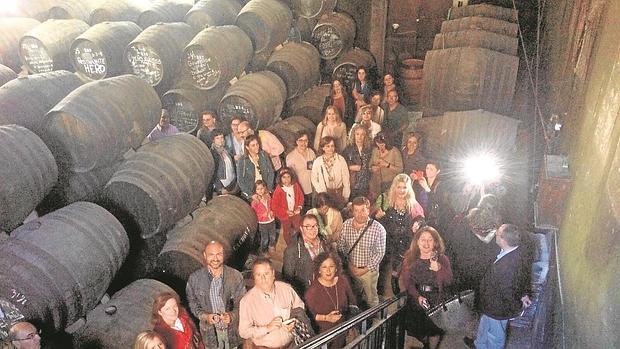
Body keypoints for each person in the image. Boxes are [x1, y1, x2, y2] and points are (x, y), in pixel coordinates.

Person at [464, 224, 532, 349]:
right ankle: (479, 345)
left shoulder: (509, 265)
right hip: (489, 304)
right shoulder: (512, 251)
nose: (495, 234)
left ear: (503, 240)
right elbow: (521, 279)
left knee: (496, 337)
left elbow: (509, 290)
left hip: (497, 309)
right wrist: (523, 294)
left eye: (497, 233)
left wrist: (517, 306)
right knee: (484, 327)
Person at [238, 257, 313, 349]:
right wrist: (267, 328)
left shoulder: (286, 289)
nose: (263, 278)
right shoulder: (247, 301)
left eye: (266, 273)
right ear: (254, 277)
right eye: (258, 275)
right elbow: (244, 332)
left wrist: (294, 321)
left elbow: (299, 306)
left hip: (291, 345)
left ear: (273, 274)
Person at [186, 241, 246, 349]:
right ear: (204, 255)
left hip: (231, 331)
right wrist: (205, 316)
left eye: (219, 254)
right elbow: (192, 304)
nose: (215, 258)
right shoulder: (194, 279)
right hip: (210, 334)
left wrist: (231, 316)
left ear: (224, 255)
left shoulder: (236, 276)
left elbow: (243, 304)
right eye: (211, 255)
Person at [401, 226, 453, 349]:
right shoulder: (410, 258)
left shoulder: (442, 259)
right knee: (419, 331)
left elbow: (449, 281)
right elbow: (408, 283)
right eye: (423, 239)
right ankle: (425, 344)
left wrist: (439, 269)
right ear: (417, 241)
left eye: (430, 240)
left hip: (437, 300)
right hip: (416, 299)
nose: (426, 243)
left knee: (434, 331)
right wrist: (417, 296)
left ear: (435, 242)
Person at [374, 174, 425, 296]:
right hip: (390, 240)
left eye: (404, 187)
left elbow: (421, 219)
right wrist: (378, 217)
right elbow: (378, 220)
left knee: (407, 268)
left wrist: (417, 224)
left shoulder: (413, 204)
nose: (402, 190)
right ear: (394, 188)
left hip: (407, 241)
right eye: (399, 187)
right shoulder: (388, 202)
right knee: (389, 267)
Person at [337, 196, 386, 308]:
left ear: (368, 210)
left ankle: (374, 320)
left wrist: (364, 270)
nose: (360, 214)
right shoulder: (346, 225)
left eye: (363, 210)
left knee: (371, 298)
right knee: (353, 296)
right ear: (352, 211)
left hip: (369, 272)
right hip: (350, 269)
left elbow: (379, 253)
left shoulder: (378, 229)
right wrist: (350, 266)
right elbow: (341, 247)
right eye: (356, 211)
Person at [304, 252, 358, 349]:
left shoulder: (343, 281)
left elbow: (352, 303)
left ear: (336, 268)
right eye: (324, 267)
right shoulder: (312, 291)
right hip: (324, 336)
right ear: (319, 270)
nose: (328, 270)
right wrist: (326, 317)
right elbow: (307, 316)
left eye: (331, 266)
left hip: (343, 331)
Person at [282, 214, 329, 295]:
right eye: (308, 226)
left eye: (315, 226)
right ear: (301, 228)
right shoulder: (292, 251)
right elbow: (288, 278)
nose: (312, 229)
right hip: (307, 293)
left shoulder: (324, 243)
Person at [311, 136, 350, 208]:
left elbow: (346, 178)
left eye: (332, 146)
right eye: (327, 146)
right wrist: (321, 192)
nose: (330, 148)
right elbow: (314, 179)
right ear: (323, 148)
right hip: (325, 193)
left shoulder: (340, 159)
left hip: (338, 193)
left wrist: (346, 195)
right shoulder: (318, 161)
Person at [416, 160, 453, 233]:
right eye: (427, 168)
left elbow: (440, 202)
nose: (428, 171)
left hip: (434, 218)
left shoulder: (441, 185)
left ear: (438, 171)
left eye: (431, 169)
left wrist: (427, 188)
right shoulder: (422, 181)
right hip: (422, 215)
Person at [236, 134, 275, 200]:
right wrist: (251, 195)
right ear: (247, 147)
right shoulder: (242, 161)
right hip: (252, 193)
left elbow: (271, 172)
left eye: (257, 144)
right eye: (253, 145)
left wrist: (268, 189)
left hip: (265, 191)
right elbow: (240, 180)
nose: (256, 147)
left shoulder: (264, 155)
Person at [285, 131, 316, 211]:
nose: (303, 143)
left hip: (313, 189)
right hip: (300, 191)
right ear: (296, 142)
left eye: (305, 140)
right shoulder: (290, 157)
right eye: (300, 140)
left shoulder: (311, 152)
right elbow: (290, 177)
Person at [272, 168, 304, 245]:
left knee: (299, 227)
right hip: (285, 215)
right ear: (280, 178)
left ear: (291, 177)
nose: (286, 179)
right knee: (287, 230)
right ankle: (289, 245)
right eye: (284, 177)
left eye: (288, 176)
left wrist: (299, 207)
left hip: (295, 212)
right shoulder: (279, 189)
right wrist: (285, 211)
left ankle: (302, 243)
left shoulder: (295, 186)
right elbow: (274, 205)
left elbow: (301, 197)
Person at [342, 124, 372, 200]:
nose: (360, 137)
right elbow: (341, 166)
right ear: (354, 135)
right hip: (353, 183)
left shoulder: (369, 149)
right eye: (357, 134)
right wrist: (351, 167)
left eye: (362, 134)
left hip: (366, 183)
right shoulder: (348, 150)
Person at [369, 132, 403, 200]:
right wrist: (372, 168)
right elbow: (369, 166)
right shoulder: (375, 150)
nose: (380, 146)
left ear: (387, 142)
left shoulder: (394, 151)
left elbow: (400, 169)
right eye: (378, 143)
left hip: (389, 184)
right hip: (375, 185)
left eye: (382, 144)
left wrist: (387, 165)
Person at [251, 180, 277, 255]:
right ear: (255, 190)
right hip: (262, 223)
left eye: (262, 188)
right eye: (258, 189)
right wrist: (262, 215)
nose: (260, 191)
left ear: (265, 188)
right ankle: (263, 250)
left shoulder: (268, 197)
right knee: (265, 238)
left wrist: (272, 211)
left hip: (271, 220)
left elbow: (273, 206)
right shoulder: (254, 202)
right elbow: (253, 214)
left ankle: (271, 246)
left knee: (273, 235)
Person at [210, 128, 237, 195]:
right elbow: (213, 174)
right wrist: (220, 188)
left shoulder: (226, 150)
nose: (221, 140)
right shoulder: (212, 154)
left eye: (222, 137)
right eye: (217, 138)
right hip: (222, 185)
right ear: (213, 140)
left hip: (232, 183)